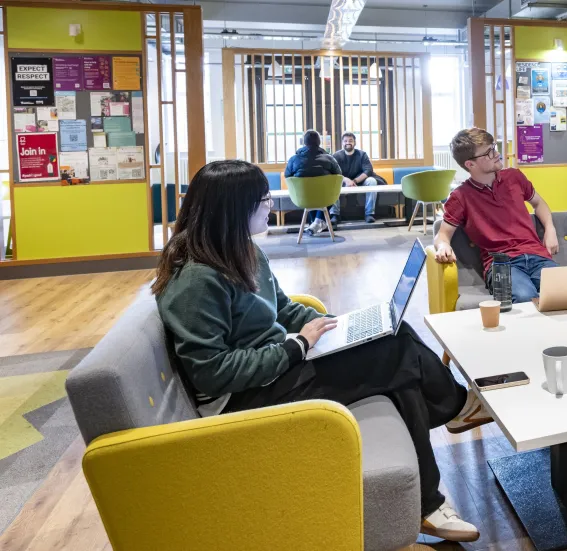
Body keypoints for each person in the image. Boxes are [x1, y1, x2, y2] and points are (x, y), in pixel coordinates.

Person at [153, 160, 481, 542]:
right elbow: (213, 372)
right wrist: (298, 345)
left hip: (278, 367)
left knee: (391, 342)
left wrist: (337, 326)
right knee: (395, 352)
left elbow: (282, 308)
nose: (271, 207)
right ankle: (455, 413)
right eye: (262, 200)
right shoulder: (196, 279)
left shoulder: (241, 250)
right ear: (234, 209)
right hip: (243, 401)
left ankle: (427, 498)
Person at [434, 127, 560, 304]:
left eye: (493, 147)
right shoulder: (460, 197)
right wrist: (442, 247)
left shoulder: (514, 177)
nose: (496, 153)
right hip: (502, 265)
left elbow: (539, 203)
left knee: (566, 293)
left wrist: (550, 228)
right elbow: (442, 235)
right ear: (470, 164)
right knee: (525, 298)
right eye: (489, 152)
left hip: (538, 257)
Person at [284, 130, 342, 235]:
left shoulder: (294, 159)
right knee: (325, 192)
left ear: (304, 143)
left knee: (310, 192)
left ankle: (314, 223)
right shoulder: (329, 158)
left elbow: (287, 176)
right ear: (319, 142)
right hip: (326, 197)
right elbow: (338, 175)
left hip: (303, 198)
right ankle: (318, 222)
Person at [332, 132, 380, 223]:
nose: (348, 143)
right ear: (342, 143)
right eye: (345, 141)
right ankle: (334, 214)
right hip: (342, 181)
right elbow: (333, 172)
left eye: (350, 140)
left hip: (360, 181)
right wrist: (346, 180)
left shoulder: (362, 154)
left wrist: (354, 181)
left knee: (372, 181)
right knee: (332, 183)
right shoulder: (336, 156)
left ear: (355, 142)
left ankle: (369, 214)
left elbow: (368, 170)